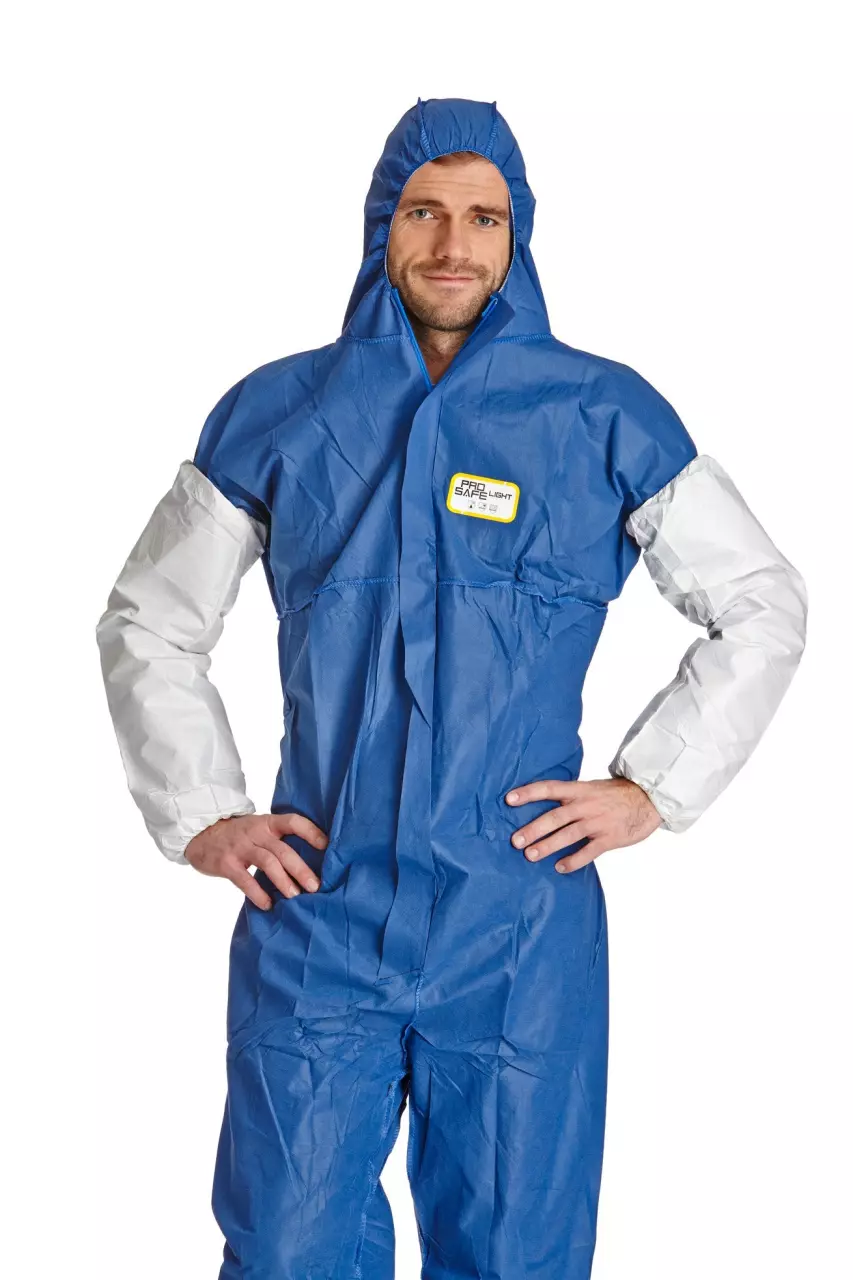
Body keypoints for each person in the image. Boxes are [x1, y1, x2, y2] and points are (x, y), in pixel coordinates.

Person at [95, 96, 808, 1280]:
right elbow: (149, 620)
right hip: (320, 906)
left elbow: (760, 602)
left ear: (516, 235)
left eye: (484, 217)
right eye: (424, 212)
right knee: (285, 1248)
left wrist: (651, 787)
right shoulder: (279, 412)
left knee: (516, 1254)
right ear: (381, 226)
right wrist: (203, 811)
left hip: (517, 919)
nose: (452, 245)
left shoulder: (601, 412)